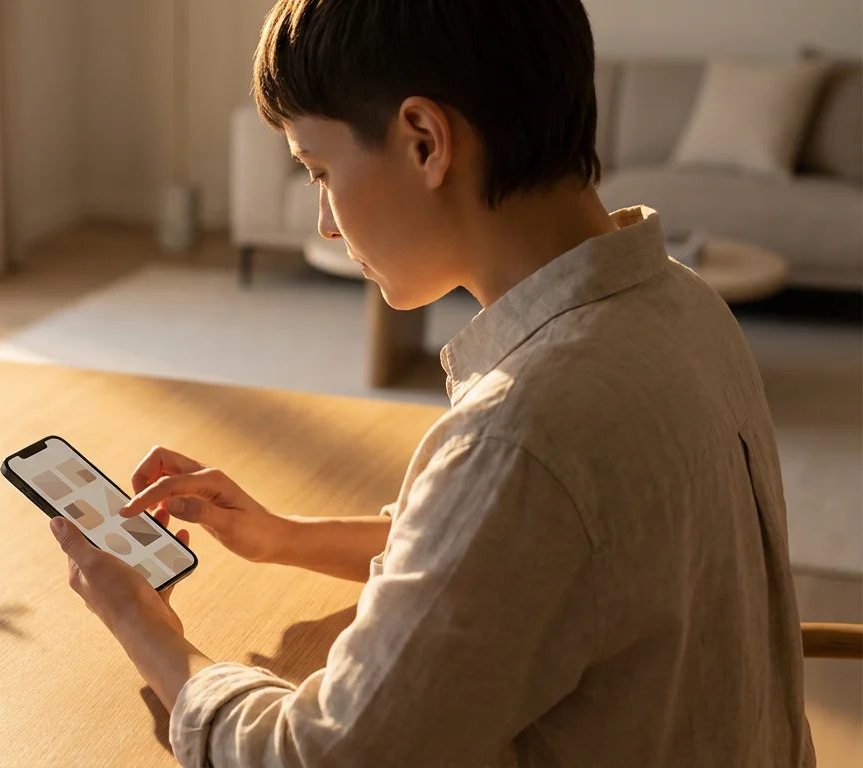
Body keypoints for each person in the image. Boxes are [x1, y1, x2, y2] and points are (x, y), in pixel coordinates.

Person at [46, 0, 815, 765]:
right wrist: (284, 537)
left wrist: (142, 623)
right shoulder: (686, 303)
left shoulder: (525, 437)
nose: (325, 221)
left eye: (320, 171)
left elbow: (317, 757)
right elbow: (514, 556)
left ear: (424, 142)